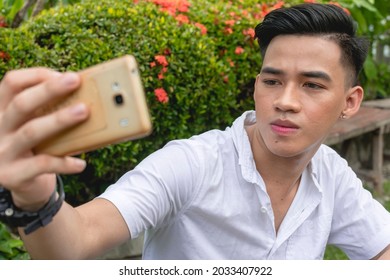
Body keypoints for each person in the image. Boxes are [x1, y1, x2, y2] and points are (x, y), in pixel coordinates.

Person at [0, 3, 389, 260]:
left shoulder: (330, 175)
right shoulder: (192, 163)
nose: (285, 100)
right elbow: (77, 240)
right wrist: (36, 199)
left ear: (350, 102)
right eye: (272, 81)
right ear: (256, 85)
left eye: (312, 85)